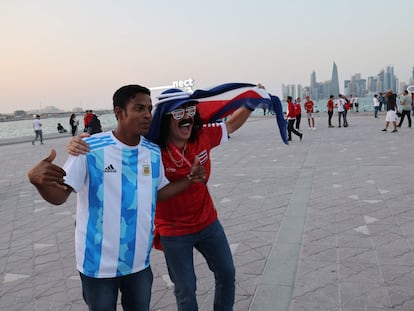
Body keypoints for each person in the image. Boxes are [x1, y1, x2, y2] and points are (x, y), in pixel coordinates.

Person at [67, 83, 278, 310]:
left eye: (189, 112)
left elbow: (231, 125)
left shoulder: (202, 137)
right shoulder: (152, 148)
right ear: (166, 118)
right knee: (186, 288)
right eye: (178, 113)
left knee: (227, 273)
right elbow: (123, 140)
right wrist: (78, 142)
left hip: (208, 222)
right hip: (173, 231)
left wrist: (250, 100)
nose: (186, 118)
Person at [27, 84, 206, 311]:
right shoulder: (89, 148)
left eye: (149, 109)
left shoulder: (151, 151)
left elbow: (158, 193)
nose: (147, 115)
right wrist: (38, 181)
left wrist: (191, 179)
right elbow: (60, 196)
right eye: (139, 108)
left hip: (139, 262)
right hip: (98, 264)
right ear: (119, 112)